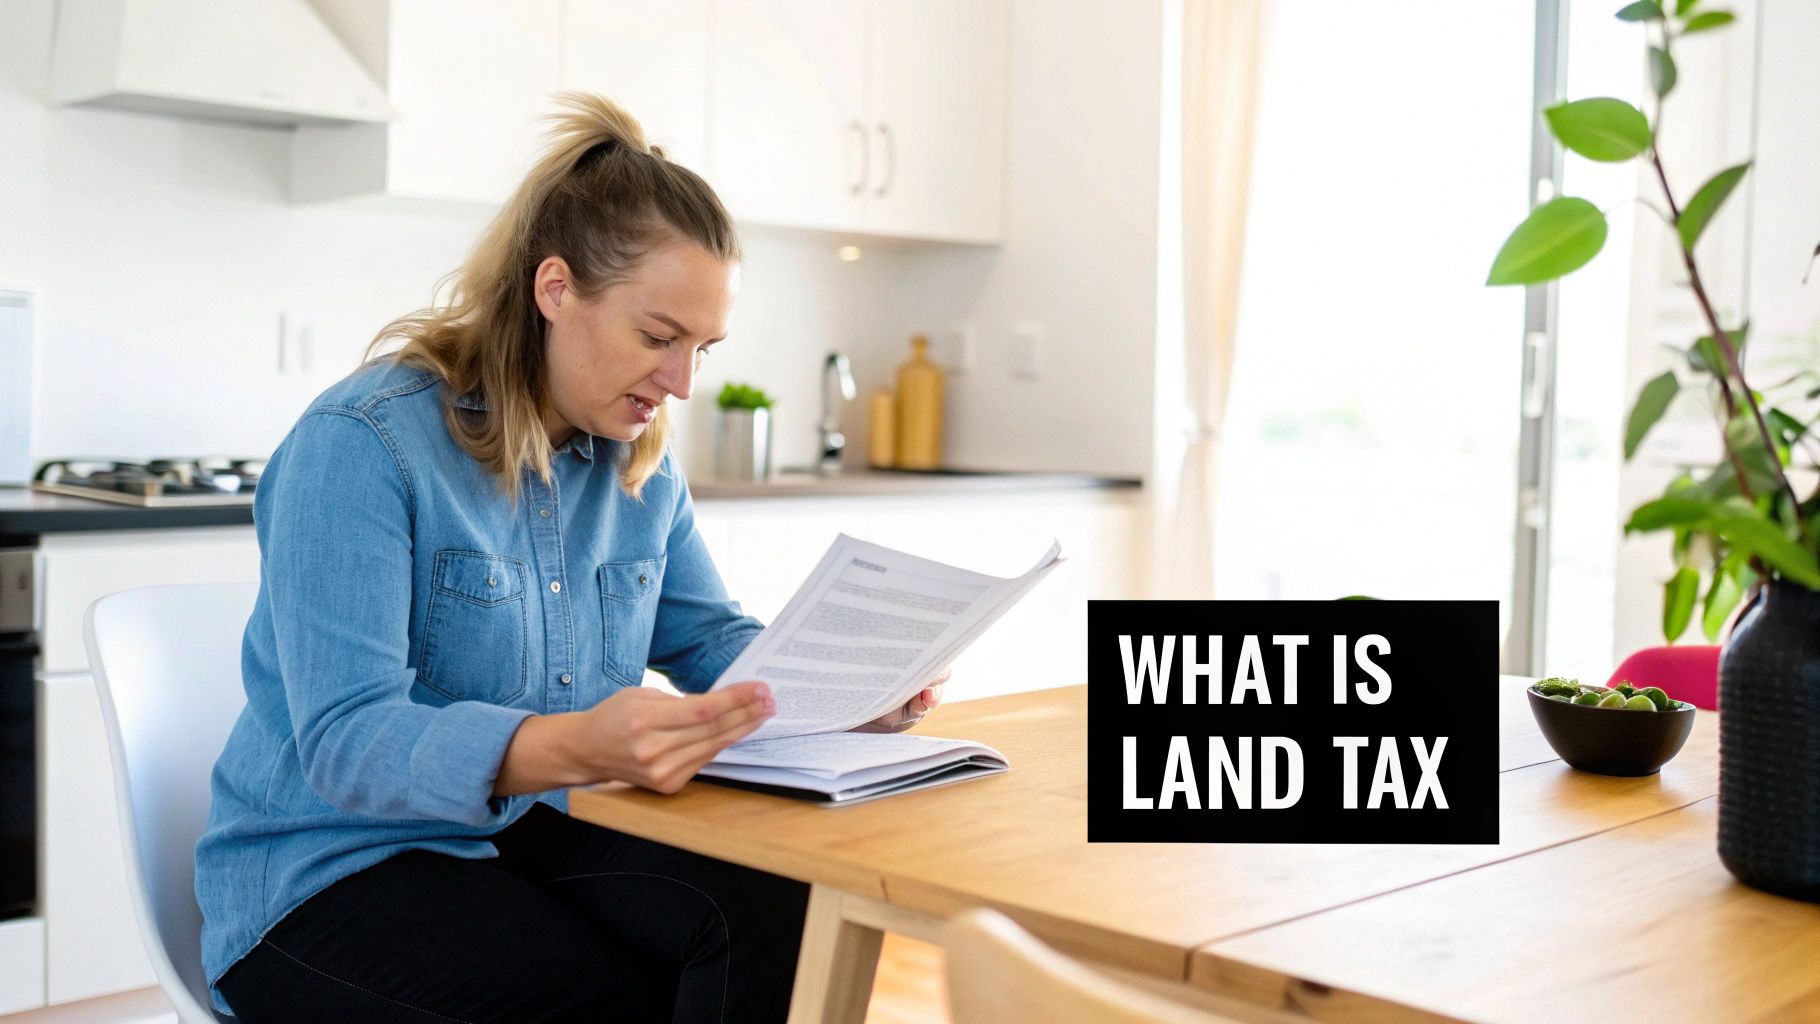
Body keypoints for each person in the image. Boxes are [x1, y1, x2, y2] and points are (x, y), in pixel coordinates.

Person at [195, 92, 947, 1023]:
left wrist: (850, 693)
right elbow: (349, 738)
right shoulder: (364, 443)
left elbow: (710, 639)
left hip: (534, 826)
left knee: (772, 909)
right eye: (659, 337)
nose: (680, 382)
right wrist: (570, 745)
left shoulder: (638, 462)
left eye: (702, 348)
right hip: (329, 871)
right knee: (604, 997)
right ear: (557, 290)